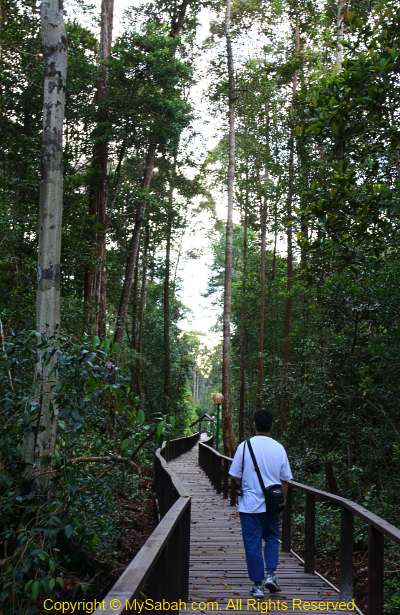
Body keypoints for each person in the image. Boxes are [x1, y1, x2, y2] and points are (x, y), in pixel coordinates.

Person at [229, 409, 293, 597]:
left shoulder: (244, 446)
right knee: (272, 538)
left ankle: (257, 586)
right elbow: (285, 480)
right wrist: (282, 501)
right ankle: (271, 575)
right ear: (271, 425)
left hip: (250, 506)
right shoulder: (279, 448)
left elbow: (234, 474)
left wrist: (246, 486)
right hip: (272, 505)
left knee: (253, 544)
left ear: (254, 424)